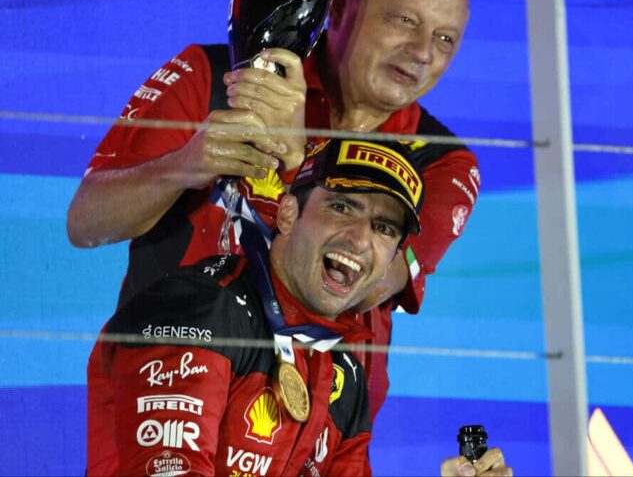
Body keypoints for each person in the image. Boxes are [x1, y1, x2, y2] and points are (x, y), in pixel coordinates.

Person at [68, 0, 481, 421]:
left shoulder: (442, 162)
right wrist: (186, 164)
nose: (422, 52)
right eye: (404, 20)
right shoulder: (215, 76)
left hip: (313, 429)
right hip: (166, 390)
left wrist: (296, 163)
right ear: (338, 4)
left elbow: (365, 286)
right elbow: (86, 222)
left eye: (445, 39)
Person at [86, 139, 511, 476]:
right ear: (288, 213)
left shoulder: (344, 370)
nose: (359, 240)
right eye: (342, 207)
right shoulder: (196, 309)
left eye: (383, 228)